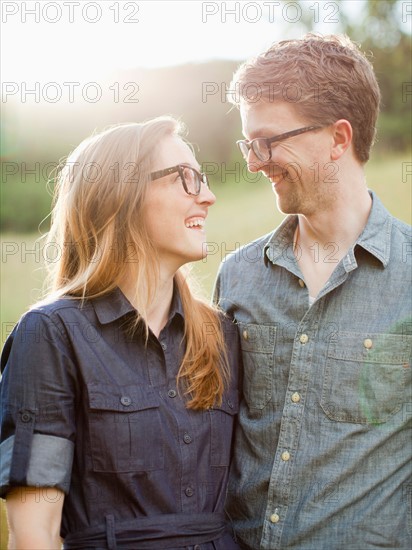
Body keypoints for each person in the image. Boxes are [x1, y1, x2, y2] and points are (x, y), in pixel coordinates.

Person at [0, 117, 241, 549]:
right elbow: (34, 534)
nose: (208, 196)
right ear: (120, 195)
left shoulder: (222, 335)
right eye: (184, 179)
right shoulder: (51, 336)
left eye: (202, 179)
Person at [214, 34, 411, 549]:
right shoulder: (237, 275)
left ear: (338, 139)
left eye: (269, 141)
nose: (256, 163)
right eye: (248, 144)